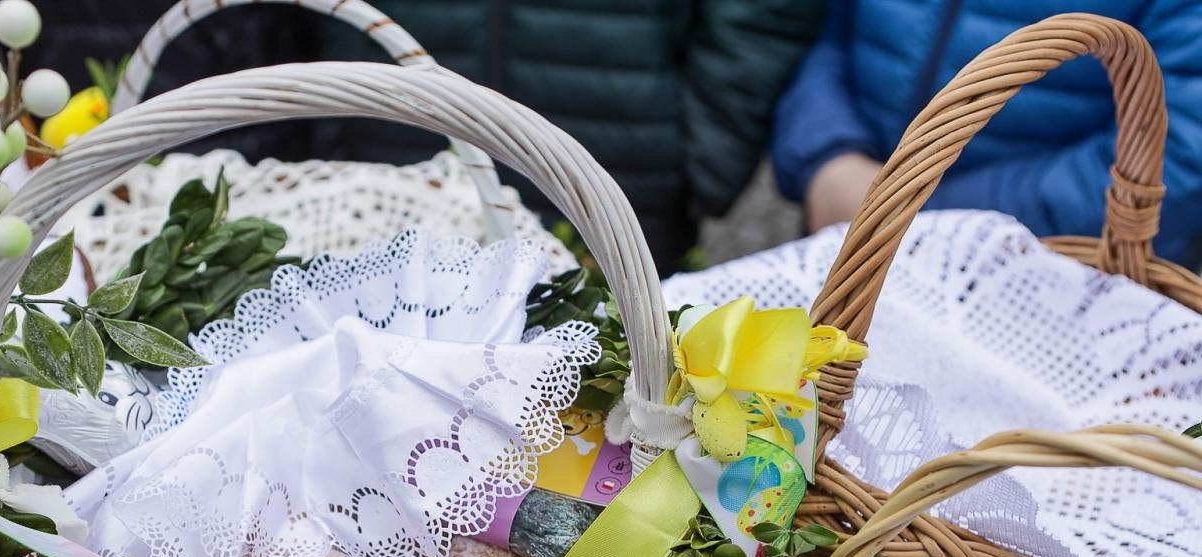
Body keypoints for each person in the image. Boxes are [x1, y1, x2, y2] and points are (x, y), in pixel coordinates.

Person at [312, 0, 828, 272]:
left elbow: (763, 18)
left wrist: (701, 154)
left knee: (609, 418)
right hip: (387, 162)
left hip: (622, 162)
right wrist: (325, 128)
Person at [771, 0, 1202, 262]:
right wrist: (827, 153)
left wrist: (923, 215)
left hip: (1049, 277)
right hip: (848, 224)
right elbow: (826, 31)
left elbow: (1183, 152)